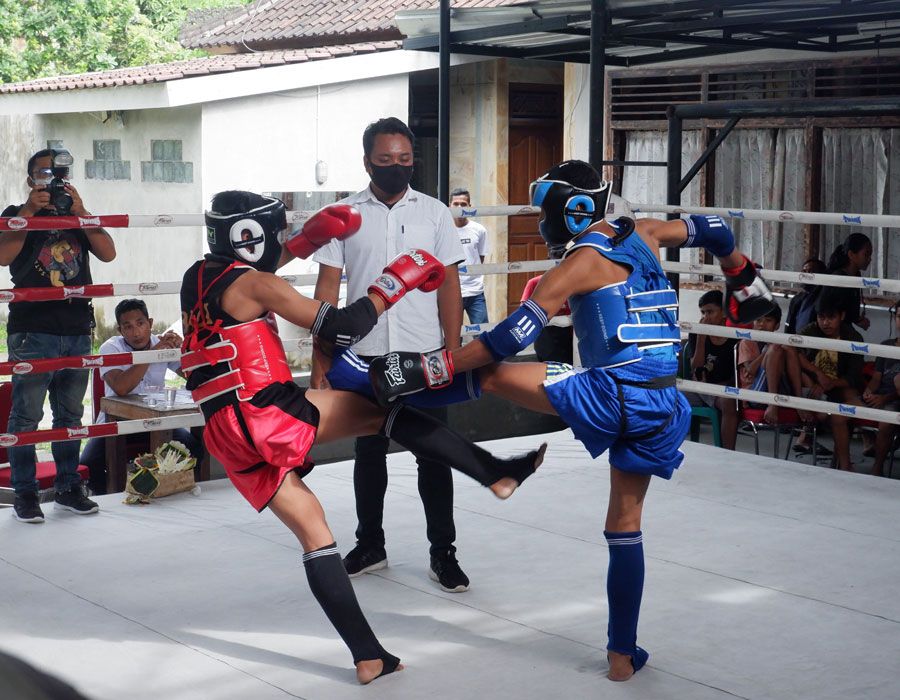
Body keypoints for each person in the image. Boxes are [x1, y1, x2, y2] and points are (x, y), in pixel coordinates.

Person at [365, 159, 776, 681]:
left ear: (569, 208)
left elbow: (508, 339)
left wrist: (428, 365)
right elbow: (714, 228)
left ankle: (381, 397)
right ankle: (621, 656)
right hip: (664, 403)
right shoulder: (647, 232)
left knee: (488, 374)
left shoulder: (576, 266)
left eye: (544, 209)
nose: (541, 221)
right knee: (624, 527)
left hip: (611, 395)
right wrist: (744, 279)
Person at [181, 190, 544, 684]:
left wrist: (309, 240)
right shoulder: (259, 284)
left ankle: (369, 656)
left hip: (224, 430)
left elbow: (259, 269)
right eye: (278, 232)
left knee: (314, 533)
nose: (282, 240)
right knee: (380, 409)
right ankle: (494, 472)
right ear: (252, 235)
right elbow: (348, 325)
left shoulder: (197, 277)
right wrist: (392, 284)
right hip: (264, 411)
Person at [312, 117, 472, 593]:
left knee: (435, 456)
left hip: (424, 353)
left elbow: (449, 285)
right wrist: (321, 364)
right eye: (386, 161)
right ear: (367, 162)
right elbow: (325, 296)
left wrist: (454, 347)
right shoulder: (342, 214)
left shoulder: (436, 213)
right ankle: (370, 544)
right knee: (369, 452)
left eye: (405, 160)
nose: (396, 168)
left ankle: (444, 554)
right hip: (364, 356)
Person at [1, 148, 116, 523]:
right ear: (30, 178)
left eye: (57, 173)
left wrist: (82, 212)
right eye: (43, 173)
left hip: (76, 327)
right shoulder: (14, 215)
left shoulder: (75, 214)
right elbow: (4, 258)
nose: (50, 180)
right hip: (32, 329)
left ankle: (68, 487)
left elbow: (108, 253)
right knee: (27, 416)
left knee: (70, 414)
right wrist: (29, 214)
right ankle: (26, 494)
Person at [78, 298, 203, 495]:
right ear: (120, 330)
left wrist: (183, 349)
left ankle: (170, 494)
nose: (136, 332)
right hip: (117, 422)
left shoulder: (160, 344)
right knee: (89, 463)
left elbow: (192, 376)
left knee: (194, 449)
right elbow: (121, 387)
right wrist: (152, 354)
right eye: (128, 327)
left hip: (156, 421)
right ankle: (111, 501)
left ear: (150, 324)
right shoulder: (111, 348)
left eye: (140, 324)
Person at [796, 290, 865, 470]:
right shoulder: (812, 330)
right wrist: (817, 375)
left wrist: (831, 383)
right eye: (821, 317)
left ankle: (844, 462)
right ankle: (843, 461)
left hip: (838, 388)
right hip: (812, 387)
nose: (825, 322)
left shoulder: (853, 338)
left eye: (831, 317)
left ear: (841, 316)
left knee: (847, 401)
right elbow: (792, 351)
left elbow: (854, 377)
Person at [684, 290, 738, 449]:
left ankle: (728, 453)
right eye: (703, 312)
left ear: (724, 312)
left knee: (729, 402)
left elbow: (736, 370)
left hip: (723, 387)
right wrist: (701, 338)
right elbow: (695, 366)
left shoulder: (734, 336)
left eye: (710, 312)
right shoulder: (696, 333)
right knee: (665, 395)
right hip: (700, 386)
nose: (706, 317)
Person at [863, 305, 900, 476]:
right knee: (845, 411)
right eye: (899, 316)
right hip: (879, 396)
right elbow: (876, 377)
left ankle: (877, 467)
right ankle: (842, 462)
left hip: (895, 400)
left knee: (885, 423)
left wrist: (884, 399)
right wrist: (868, 391)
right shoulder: (886, 345)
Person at [450, 187, 490, 325]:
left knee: (482, 335)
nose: (460, 207)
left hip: (475, 292)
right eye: (456, 204)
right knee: (452, 337)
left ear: (469, 207)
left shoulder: (479, 230)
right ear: (450, 206)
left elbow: (480, 258)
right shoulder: (443, 229)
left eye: (463, 204)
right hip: (451, 291)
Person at [825, 232, 873, 332]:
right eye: (866, 254)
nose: (870, 259)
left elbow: (847, 309)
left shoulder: (855, 276)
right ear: (851, 254)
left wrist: (857, 319)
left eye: (870, 254)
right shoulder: (838, 279)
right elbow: (833, 311)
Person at [784, 257, 826, 335]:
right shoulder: (796, 299)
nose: (805, 275)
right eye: (804, 271)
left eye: (810, 272)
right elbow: (788, 325)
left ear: (820, 274)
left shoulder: (824, 299)